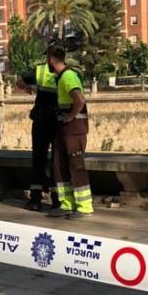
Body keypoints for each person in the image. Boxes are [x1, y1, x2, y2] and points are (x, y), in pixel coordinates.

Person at [47, 45, 93, 219]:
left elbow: (79, 100)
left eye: (47, 60)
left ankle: (84, 206)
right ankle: (67, 203)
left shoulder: (68, 76)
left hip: (73, 130)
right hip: (64, 130)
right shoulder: (62, 78)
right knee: (59, 165)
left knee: (76, 166)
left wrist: (71, 116)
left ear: (51, 59)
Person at [16, 53, 59, 211]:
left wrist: (29, 88)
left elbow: (19, 82)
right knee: (57, 161)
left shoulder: (39, 71)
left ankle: (35, 199)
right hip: (58, 121)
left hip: (41, 120)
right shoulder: (67, 72)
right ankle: (57, 200)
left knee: (38, 159)